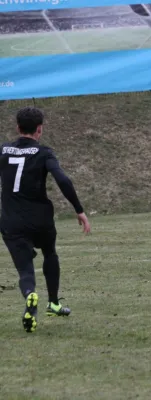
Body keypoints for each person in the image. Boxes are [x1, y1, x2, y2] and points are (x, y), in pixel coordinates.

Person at [0, 107, 91, 333]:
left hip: (12, 220)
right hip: (41, 218)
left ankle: (31, 294)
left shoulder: (2, 150)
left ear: (18, 128)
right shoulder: (44, 152)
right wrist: (79, 209)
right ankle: (53, 303)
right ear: (39, 130)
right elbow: (63, 180)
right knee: (50, 253)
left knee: (25, 270)